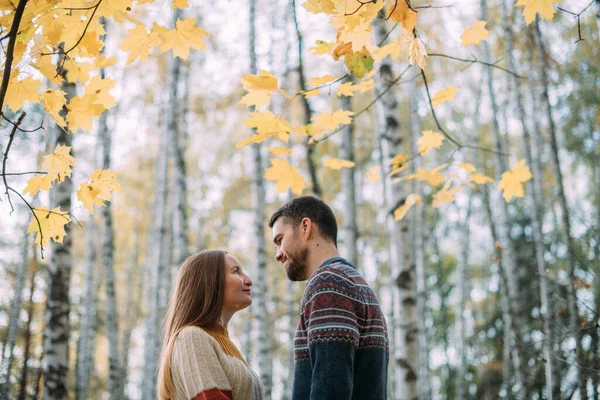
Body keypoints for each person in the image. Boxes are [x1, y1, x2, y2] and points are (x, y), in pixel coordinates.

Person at [269, 196, 389, 400]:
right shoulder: (353, 282)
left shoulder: (328, 283)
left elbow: (330, 390)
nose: (278, 254)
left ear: (306, 227)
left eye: (280, 240)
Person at [157, 250, 264, 400]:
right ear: (210, 281)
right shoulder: (191, 337)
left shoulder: (224, 345)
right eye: (236, 272)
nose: (248, 280)